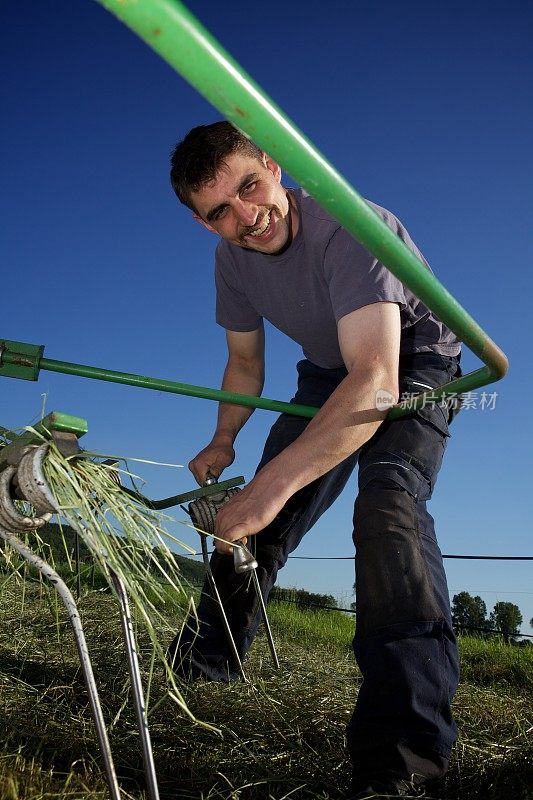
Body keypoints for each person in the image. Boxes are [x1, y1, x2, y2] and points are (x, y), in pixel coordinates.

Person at [167, 121, 462, 799]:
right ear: (201, 223)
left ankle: (402, 760)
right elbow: (244, 364)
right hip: (329, 372)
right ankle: (203, 669)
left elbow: (378, 381)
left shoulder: (353, 224)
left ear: (273, 164)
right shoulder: (231, 262)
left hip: (412, 365)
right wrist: (223, 441)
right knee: (250, 523)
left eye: (250, 186)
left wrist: (268, 488)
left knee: (387, 504)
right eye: (219, 212)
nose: (246, 216)